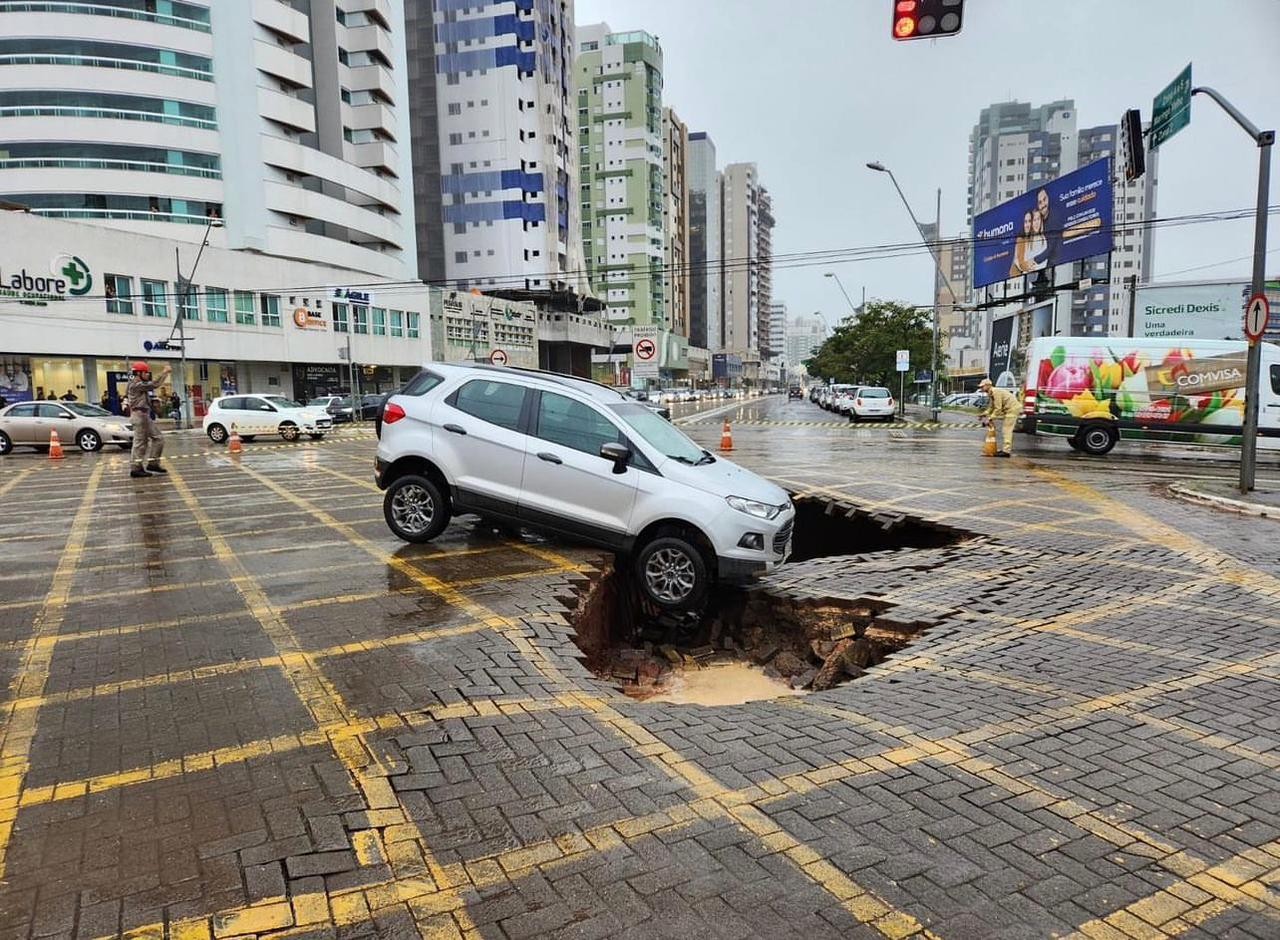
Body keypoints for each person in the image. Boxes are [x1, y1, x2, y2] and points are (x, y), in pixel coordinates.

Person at [126, 361, 171, 478]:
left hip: (145, 415)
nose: (147, 375)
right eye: (145, 373)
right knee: (140, 443)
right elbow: (154, 384)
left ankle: (153, 463)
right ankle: (135, 468)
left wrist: (156, 409)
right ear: (139, 373)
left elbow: (147, 399)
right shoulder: (135, 385)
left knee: (158, 438)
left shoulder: (141, 384)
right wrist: (164, 372)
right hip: (139, 416)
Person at [978, 377, 1019, 458]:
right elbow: (991, 407)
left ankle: (1006, 451)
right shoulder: (991, 393)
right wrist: (984, 414)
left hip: (1012, 410)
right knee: (1006, 429)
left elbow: (998, 409)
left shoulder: (996, 392)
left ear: (988, 385)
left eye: (982, 386)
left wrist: (989, 418)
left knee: (1007, 430)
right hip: (1008, 410)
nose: (981, 388)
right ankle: (1005, 449)